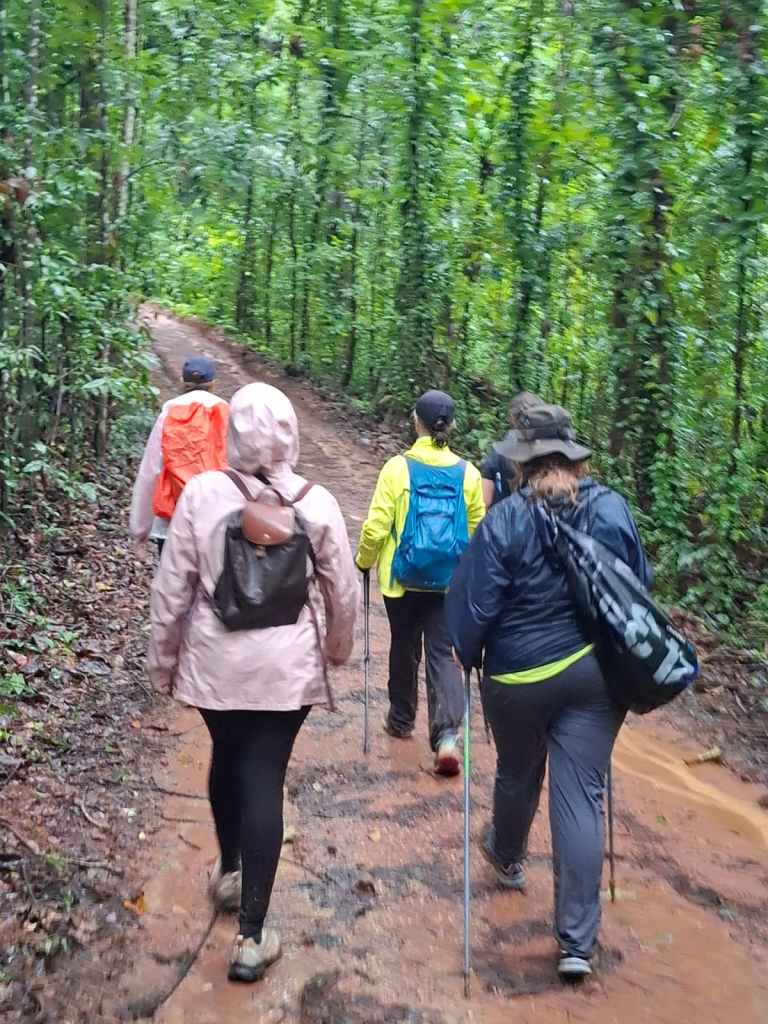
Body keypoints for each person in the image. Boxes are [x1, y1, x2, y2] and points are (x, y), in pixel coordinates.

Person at [148, 383, 358, 983]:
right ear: (291, 434)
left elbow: (172, 588)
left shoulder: (201, 494)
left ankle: (231, 871)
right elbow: (343, 590)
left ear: (233, 431)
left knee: (228, 754)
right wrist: (337, 650)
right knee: (264, 774)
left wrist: (163, 661)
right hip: (286, 671)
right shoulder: (317, 503)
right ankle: (252, 937)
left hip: (216, 665)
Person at [445, 401, 651, 980]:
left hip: (517, 677)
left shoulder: (506, 519)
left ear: (521, 462)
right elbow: (639, 585)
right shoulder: (610, 508)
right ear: (574, 458)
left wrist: (466, 650)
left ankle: (507, 856)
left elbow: (473, 610)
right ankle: (577, 944)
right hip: (594, 675)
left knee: (518, 772)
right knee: (581, 795)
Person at [355, 389, 485, 776]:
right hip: (448, 582)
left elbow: (377, 525)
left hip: (401, 580)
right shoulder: (469, 474)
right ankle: (446, 738)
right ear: (453, 426)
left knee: (404, 645)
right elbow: (478, 531)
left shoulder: (397, 468)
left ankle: (400, 719)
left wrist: (364, 560)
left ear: (417, 422)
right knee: (443, 653)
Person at [130, 355, 229, 557]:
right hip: (217, 520)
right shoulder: (226, 412)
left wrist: (140, 530)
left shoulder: (170, 411)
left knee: (172, 576)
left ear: (183, 382)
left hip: (172, 521)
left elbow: (151, 471)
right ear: (213, 384)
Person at [479, 390, 541, 507]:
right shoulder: (548, 451)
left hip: (503, 515)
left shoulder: (498, 451)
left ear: (511, 417)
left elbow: (484, 500)